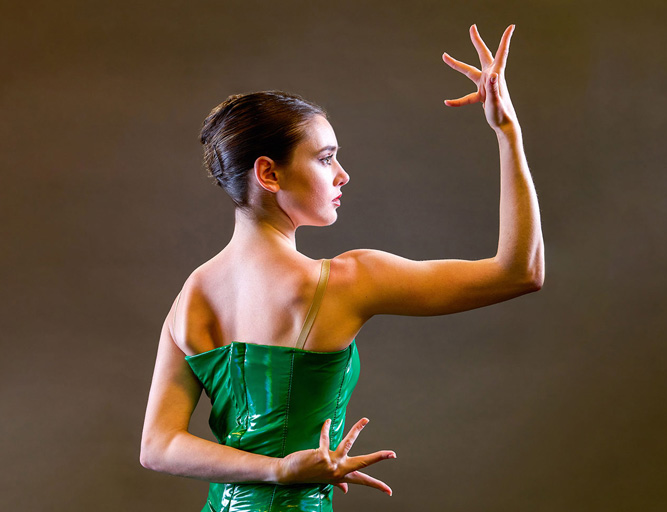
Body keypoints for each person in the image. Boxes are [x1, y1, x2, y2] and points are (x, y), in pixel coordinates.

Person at [140, 23, 543, 512]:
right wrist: (507, 132)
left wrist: (275, 468)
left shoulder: (193, 295)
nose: (342, 174)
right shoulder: (345, 282)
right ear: (268, 173)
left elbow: (158, 447)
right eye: (326, 158)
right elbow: (520, 272)